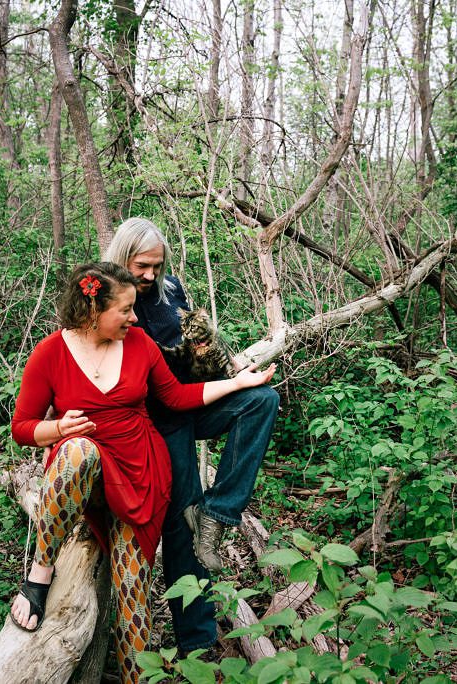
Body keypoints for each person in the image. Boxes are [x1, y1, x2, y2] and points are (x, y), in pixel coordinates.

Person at [9, 262, 275, 683]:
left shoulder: (138, 346)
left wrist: (239, 384)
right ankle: (38, 575)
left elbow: (178, 396)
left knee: (135, 602)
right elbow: (22, 428)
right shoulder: (51, 353)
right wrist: (58, 428)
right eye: (126, 310)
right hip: (85, 475)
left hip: (139, 477)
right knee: (78, 450)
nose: (135, 318)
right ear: (93, 310)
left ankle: (136, 675)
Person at [104, 218, 281, 655]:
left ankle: (218, 514)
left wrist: (236, 369)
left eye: (156, 266)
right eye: (142, 266)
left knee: (262, 401)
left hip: (192, 402)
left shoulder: (171, 288)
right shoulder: (106, 297)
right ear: (122, 255)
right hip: (155, 423)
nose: (149, 276)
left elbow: (203, 343)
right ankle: (197, 643)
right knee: (181, 527)